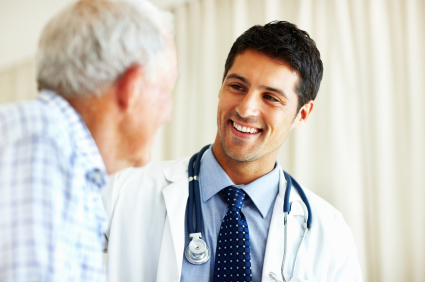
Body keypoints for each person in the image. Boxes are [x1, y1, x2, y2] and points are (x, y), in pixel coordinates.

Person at [102, 21, 362, 281]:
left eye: (270, 97)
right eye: (237, 86)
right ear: (221, 86)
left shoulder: (330, 234)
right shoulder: (124, 190)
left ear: (301, 114)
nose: (246, 109)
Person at [0, 0, 177, 281]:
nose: (167, 113)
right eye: (165, 92)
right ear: (131, 88)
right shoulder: (43, 146)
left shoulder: (61, 153)